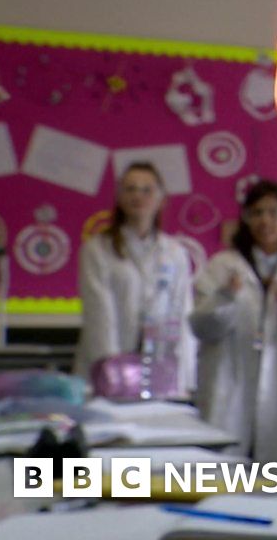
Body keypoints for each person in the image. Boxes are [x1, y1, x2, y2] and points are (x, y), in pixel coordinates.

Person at [190, 180, 277, 470]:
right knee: (222, 476)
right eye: (257, 213)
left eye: (273, 212)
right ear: (245, 219)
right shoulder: (222, 265)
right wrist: (225, 297)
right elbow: (200, 327)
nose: (265, 221)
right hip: (230, 384)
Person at [75, 161, 196, 397]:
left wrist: (184, 375)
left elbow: (182, 314)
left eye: (147, 190)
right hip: (111, 364)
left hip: (160, 365)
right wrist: (112, 373)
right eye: (130, 189)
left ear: (161, 199)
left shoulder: (175, 252)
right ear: (120, 197)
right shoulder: (97, 250)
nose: (138, 196)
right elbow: (99, 315)